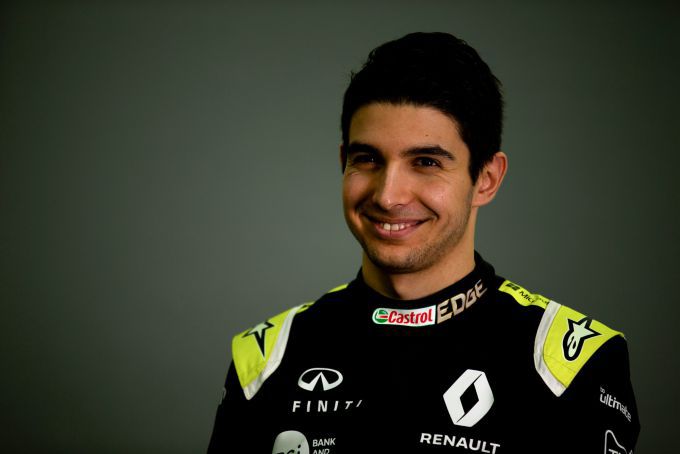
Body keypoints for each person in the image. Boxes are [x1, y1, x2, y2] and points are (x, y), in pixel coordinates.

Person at [207, 32, 640, 454]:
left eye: (426, 162)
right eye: (367, 159)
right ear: (343, 163)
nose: (388, 196)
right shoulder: (266, 358)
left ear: (486, 179)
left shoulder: (571, 365)